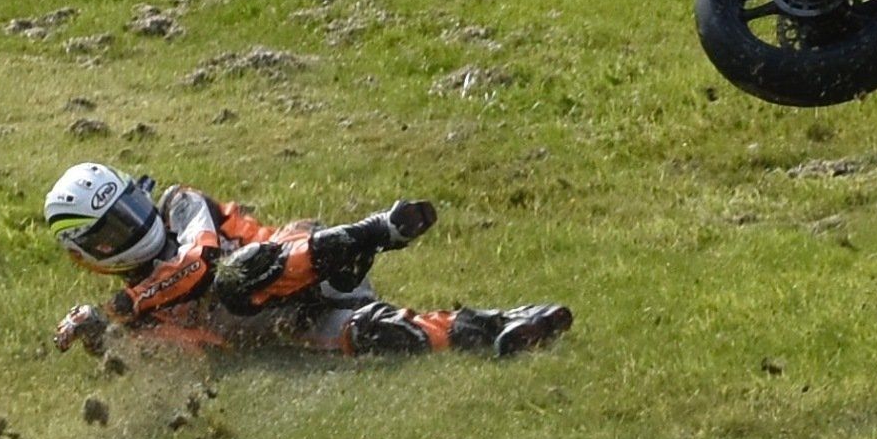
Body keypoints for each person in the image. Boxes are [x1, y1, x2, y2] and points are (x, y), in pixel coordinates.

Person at [44, 162, 571, 358]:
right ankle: (501, 329)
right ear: (89, 254)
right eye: (117, 227)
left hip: (306, 262)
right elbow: (205, 354)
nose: (138, 225)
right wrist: (110, 344)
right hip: (293, 323)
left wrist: (117, 310)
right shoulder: (134, 322)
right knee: (378, 335)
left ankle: (374, 231)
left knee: (233, 277)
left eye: (132, 207)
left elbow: (199, 264)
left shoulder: (182, 204)